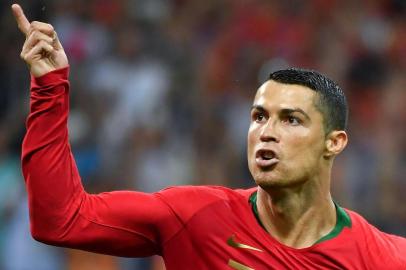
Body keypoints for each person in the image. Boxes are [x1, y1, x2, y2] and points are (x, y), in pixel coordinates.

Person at [12, 3, 406, 269]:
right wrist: (49, 87)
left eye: (291, 120)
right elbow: (60, 220)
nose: (266, 132)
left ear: (333, 142)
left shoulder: (380, 256)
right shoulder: (196, 217)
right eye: (258, 117)